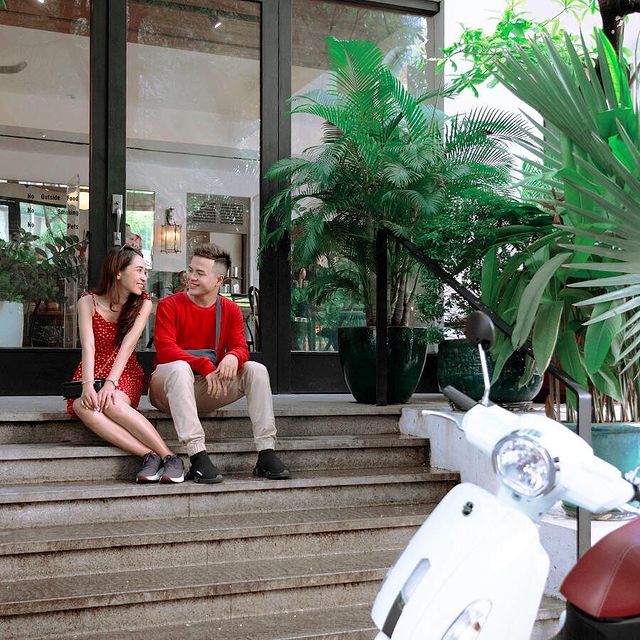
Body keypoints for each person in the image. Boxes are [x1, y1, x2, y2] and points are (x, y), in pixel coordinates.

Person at [148, 243, 290, 483]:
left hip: (206, 389)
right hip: (166, 391)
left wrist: (233, 356)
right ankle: (197, 456)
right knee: (180, 368)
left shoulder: (230, 310)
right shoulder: (169, 305)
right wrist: (205, 365)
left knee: (256, 369)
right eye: (190, 270)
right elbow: (165, 350)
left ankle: (266, 453)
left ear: (218, 280)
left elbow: (240, 347)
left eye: (200, 273)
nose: (191, 277)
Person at [67, 245, 184, 484]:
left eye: (145, 272)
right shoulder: (87, 302)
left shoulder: (143, 303)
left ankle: (170, 457)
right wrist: (88, 385)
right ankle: (148, 455)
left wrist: (111, 383)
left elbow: (128, 346)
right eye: (139, 270)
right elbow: (88, 346)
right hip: (91, 372)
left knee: (111, 403)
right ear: (118, 272)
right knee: (81, 406)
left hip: (124, 372)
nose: (144, 277)